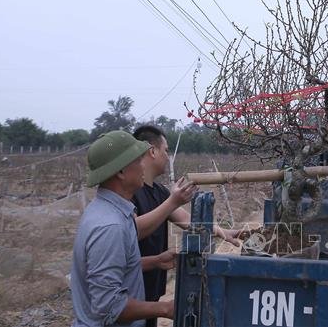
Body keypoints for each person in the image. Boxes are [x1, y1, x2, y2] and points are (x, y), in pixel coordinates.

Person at [70, 130, 198, 327]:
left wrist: (155, 261)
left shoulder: (107, 212)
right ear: (121, 172)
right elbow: (109, 306)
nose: (142, 166)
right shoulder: (110, 227)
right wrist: (166, 308)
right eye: (138, 161)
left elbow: (115, 268)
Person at [131, 125, 242, 327]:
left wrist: (222, 232)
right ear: (152, 151)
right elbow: (131, 231)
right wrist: (172, 201)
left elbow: (185, 219)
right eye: (166, 150)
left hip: (151, 287)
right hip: (130, 289)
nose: (168, 156)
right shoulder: (131, 193)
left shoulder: (159, 192)